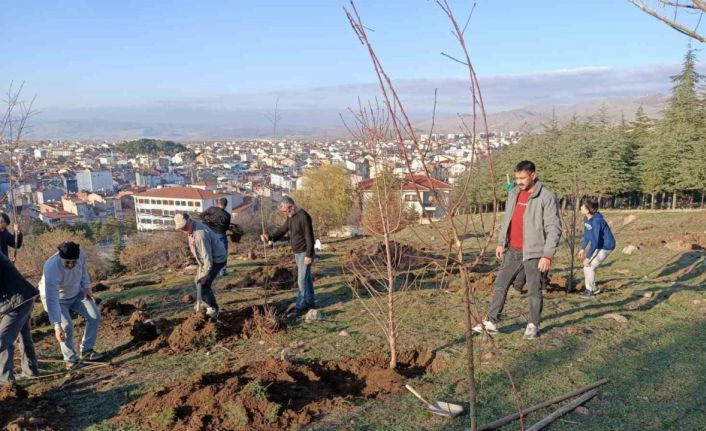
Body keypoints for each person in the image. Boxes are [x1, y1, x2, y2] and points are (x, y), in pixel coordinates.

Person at [473, 161, 562, 339]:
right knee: (500, 283)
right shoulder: (514, 192)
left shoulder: (546, 197)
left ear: (533, 175)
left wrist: (547, 255)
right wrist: (501, 242)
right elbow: (508, 219)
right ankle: (491, 321)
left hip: (535, 252)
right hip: (513, 249)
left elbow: (554, 228)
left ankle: (533, 324)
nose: (519, 182)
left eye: (522, 178)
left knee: (534, 290)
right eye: (517, 178)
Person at [39, 242, 104, 370]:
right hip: (56, 299)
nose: (71, 265)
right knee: (66, 326)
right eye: (67, 262)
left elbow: (83, 271)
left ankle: (87, 351)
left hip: (76, 293)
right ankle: (70, 360)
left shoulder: (80, 255)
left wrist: (86, 287)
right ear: (60, 257)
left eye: (74, 262)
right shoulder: (51, 268)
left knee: (94, 316)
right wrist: (57, 326)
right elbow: (51, 298)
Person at [260, 196, 316, 316]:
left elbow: (309, 237)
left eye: (285, 210)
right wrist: (269, 237)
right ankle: (310, 301)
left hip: (304, 253)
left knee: (301, 280)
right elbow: (282, 230)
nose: (285, 213)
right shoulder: (290, 216)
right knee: (306, 278)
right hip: (297, 253)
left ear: (291, 206)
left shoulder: (303, 217)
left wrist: (309, 255)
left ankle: (300, 306)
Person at [174, 213, 226, 319]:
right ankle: (205, 302)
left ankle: (213, 308)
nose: (184, 229)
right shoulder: (192, 228)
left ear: (190, 220)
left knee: (203, 285)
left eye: (185, 226)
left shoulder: (200, 235)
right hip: (207, 259)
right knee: (197, 281)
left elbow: (207, 258)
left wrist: (205, 275)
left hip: (217, 260)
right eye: (181, 228)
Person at [0, 253, 39, 383]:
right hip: (21, 298)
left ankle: (5, 381)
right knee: (24, 335)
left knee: (3, 339)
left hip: (18, 303)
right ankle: (31, 370)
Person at [578, 197, 616, 298]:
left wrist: (588, 257)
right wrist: (582, 248)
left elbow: (594, 242)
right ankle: (592, 289)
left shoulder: (597, 221)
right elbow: (587, 235)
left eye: (582, 206)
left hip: (606, 246)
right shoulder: (586, 219)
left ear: (588, 210)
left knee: (590, 266)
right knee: (587, 267)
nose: (580, 207)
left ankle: (590, 291)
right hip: (598, 245)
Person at [202, 197, 231, 276]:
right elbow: (226, 227)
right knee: (223, 253)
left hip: (210, 233)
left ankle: (211, 269)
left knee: (211, 252)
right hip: (221, 234)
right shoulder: (227, 215)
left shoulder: (212, 209)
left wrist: (207, 222)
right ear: (226, 205)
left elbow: (202, 215)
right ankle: (222, 271)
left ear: (218, 203)